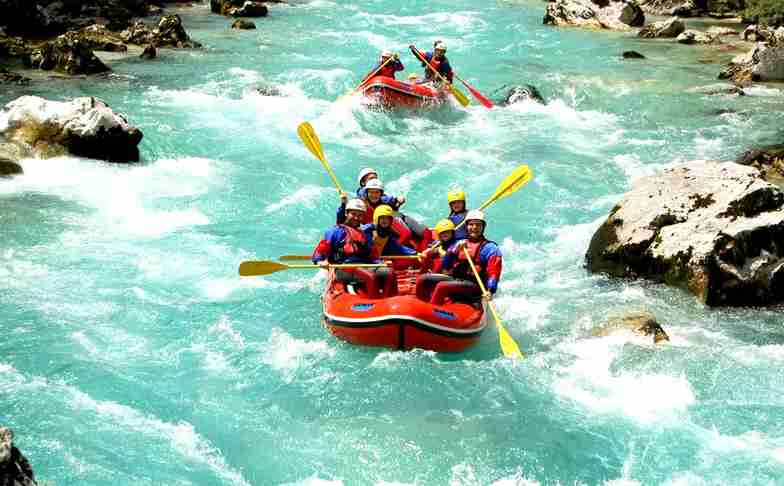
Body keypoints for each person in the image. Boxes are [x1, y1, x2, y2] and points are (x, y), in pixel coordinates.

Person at [313, 199, 392, 297]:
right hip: (343, 268)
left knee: (388, 272)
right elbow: (318, 253)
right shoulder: (335, 232)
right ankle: (373, 301)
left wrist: (382, 264)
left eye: (359, 215)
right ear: (346, 213)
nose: (356, 218)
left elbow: (373, 257)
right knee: (369, 276)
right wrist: (321, 262)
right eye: (353, 214)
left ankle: (389, 298)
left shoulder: (364, 235)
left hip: (364, 266)